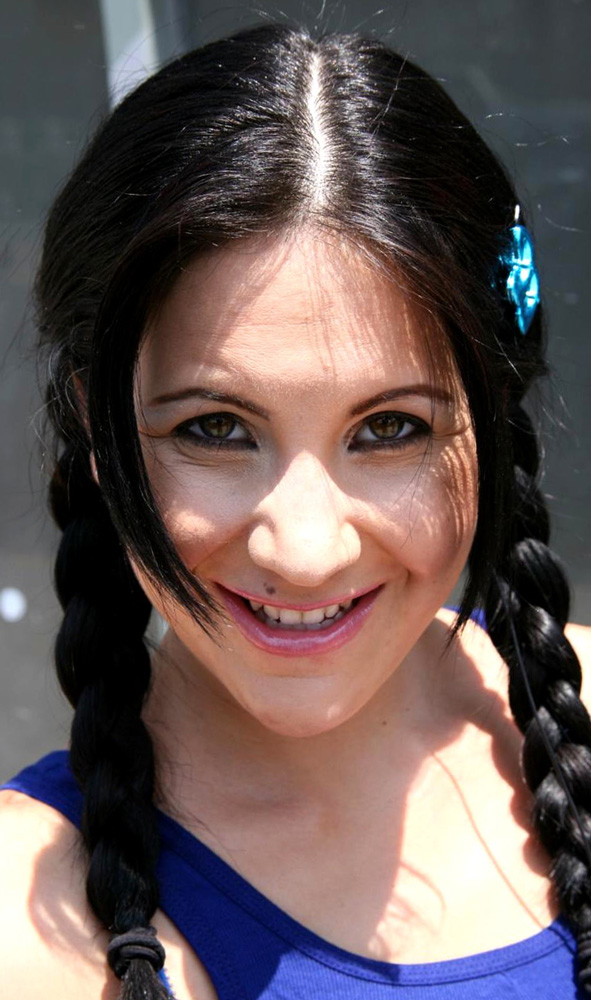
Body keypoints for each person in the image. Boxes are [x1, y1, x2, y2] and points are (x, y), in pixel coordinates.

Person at [1, 21, 590, 1000]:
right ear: (95, 430)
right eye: (216, 429)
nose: (305, 549)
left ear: (493, 420)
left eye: (389, 428)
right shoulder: (27, 930)